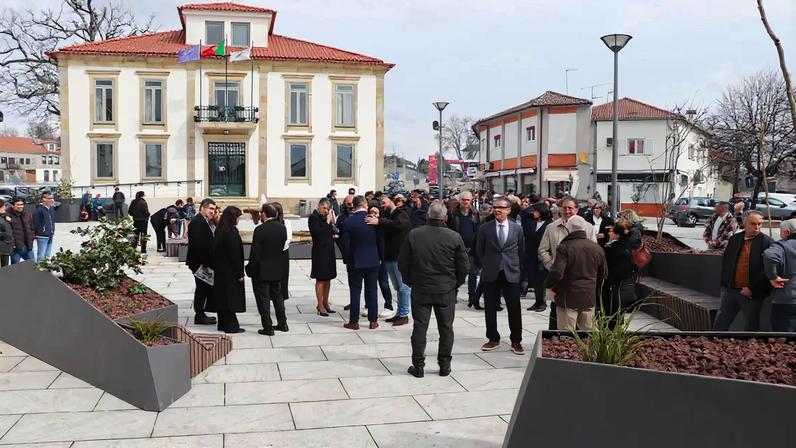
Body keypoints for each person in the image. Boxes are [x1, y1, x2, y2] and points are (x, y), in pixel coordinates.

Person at [399, 201, 469, 378]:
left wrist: (409, 281)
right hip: (445, 289)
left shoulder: (415, 234)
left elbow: (403, 262)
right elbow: (463, 266)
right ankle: (444, 365)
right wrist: (455, 284)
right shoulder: (454, 236)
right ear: (445, 218)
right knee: (446, 328)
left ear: (427, 215)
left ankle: (418, 366)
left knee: (420, 328)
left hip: (421, 288)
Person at [475, 196, 526, 355]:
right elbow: (479, 250)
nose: (497, 210)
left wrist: (516, 266)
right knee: (490, 306)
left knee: (514, 307)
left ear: (508, 210)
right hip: (491, 271)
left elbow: (521, 250)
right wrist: (487, 264)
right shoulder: (485, 228)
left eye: (501, 207)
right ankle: (493, 338)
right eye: (495, 207)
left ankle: (516, 340)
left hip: (511, 271)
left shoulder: (517, 228)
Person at [538, 197, 597, 329]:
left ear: (577, 209)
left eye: (570, 208)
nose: (567, 211)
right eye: (564, 208)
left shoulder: (588, 227)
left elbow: (594, 252)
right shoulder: (552, 227)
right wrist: (551, 265)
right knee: (557, 317)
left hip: (581, 281)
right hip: (558, 279)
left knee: (584, 322)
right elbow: (542, 250)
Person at [713, 210, 773, 331]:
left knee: (751, 326)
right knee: (720, 325)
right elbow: (727, 263)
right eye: (753, 223)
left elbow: (769, 270)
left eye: (760, 224)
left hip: (751, 293)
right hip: (730, 290)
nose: (757, 227)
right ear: (744, 223)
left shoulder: (767, 242)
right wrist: (725, 285)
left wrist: (752, 288)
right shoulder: (735, 239)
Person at [544, 215, 607, 331]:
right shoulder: (597, 248)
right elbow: (603, 274)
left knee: (567, 333)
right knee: (588, 332)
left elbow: (557, 273)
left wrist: (548, 284)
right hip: (589, 296)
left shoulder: (564, 247)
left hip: (567, 296)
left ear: (568, 229)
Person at [367, 194, 412, 325]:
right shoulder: (387, 215)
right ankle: (399, 313)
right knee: (397, 287)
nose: (382, 205)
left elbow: (398, 224)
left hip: (400, 257)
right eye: (381, 203)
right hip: (390, 257)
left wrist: (379, 221)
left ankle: (404, 315)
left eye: (384, 202)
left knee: (403, 287)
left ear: (391, 201)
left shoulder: (402, 212)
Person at [339, 195, 383, 330]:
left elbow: (345, 245)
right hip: (373, 260)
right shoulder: (373, 220)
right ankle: (373, 321)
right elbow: (380, 241)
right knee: (372, 290)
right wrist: (380, 256)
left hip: (355, 261)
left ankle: (354, 321)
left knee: (355, 290)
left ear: (354, 205)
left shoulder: (348, 222)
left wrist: (348, 259)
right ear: (365, 204)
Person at [248, 204, 289, 335]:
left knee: (263, 299)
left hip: (262, 270)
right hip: (277, 268)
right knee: (278, 297)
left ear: (264, 214)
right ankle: (283, 323)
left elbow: (255, 252)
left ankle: (268, 327)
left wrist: (250, 267)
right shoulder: (282, 228)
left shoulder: (260, 229)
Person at [208, 206, 245, 334]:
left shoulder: (221, 230)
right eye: (237, 217)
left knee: (222, 297)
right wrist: (240, 273)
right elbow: (235, 255)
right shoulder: (231, 232)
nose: (238, 220)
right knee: (230, 299)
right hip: (230, 272)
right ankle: (231, 326)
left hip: (221, 270)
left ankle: (222, 323)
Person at [185, 198, 218, 326]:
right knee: (201, 289)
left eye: (214, 209)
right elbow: (199, 245)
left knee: (203, 288)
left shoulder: (205, 221)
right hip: (200, 263)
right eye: (210, 208)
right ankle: (199, 314)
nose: (212, 211)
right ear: (202, 208)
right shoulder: (197, 222)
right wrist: (205, 263)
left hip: (203, 262)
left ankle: (201, 313)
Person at [447, 191, 481, 307]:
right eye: (463, 200)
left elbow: (477, 229)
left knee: (473, 273)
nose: (465, 202)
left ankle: (472, 297)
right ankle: (453, 294)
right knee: (456, 272)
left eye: (467, 200)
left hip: (471, 247)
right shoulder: (452, 213)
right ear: (459, 200)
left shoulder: (475, 213)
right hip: (456, 247)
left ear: (471, 200)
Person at [602, 220, 638, 328]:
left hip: (614, 286)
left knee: (611, 315)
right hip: (626, 284)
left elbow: (608, 268)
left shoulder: (611, 249)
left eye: (611, 231)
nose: (609, 233)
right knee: (619, 315)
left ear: (617, 235)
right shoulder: (629, 245)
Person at [763, 219, 796, 331]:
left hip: (786, 301)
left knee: (783, 338)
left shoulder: (781, 246)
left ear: (787, 232)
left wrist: (773, 277)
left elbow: (769, 255)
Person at [308, 198, 337, 316]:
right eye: (324, 208)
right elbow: (318, 234)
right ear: (319, 206)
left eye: (328, 209)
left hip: (329, 250)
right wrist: (327, 222)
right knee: (320, 278)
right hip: (319, 251)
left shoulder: (326, 218)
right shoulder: (313, 218)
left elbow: (332, 231)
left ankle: (326, 302)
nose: (326, 211)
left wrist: (333, 222)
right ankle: (320, 305)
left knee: (328, 278)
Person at [523, 202, 552, 312]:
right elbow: (525, 212)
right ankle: (537, 301)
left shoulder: (549, 224)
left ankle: (542, 302)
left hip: (543, 255)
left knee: (542, 279)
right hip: (531, 254)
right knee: (534, 279)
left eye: (536, 211)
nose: (533, 213)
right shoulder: (531, 222)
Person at [367, 205, 395, 318]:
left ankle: (389, 305)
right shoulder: (367, 224)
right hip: (369, 258)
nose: (373, 214)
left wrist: (381, 258)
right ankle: (368, 305)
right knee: (368, 284)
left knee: (383, 282)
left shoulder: (383, 225)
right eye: (371, 212)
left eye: (376, 212)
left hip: (381, 258)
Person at [271, 202, 292, 303]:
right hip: (271, 253)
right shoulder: (268, 222)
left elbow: (288, 238)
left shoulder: (286, 222)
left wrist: (279, 248)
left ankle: (281, 297)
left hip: (282, 253)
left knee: (283, 277)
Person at [7, 197, 35, 264]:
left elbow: (31, 227)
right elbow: (7, 230)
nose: (20, 206)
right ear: (12, 205)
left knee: (33, 264)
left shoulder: (26, 213)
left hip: (28, 245)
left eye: (21, 204)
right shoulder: (7, 215)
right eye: (18, 205)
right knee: (15, 266)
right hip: (16, 247)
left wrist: (32, 237)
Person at [33, 192, 56, 261]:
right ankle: (39, 267)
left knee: (47, 255)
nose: (52, 200)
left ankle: (46, 267)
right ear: (44, 199)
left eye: (52, 198)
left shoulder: (51, 209)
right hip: (42, 236)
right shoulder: (39, 210)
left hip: (50, 234)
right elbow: (35, 223)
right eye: (49, 198)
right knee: (41, 255)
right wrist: (38, 233)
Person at [0, 199, 13, 267]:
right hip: (3, 247)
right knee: (4, 267)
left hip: (6, 247)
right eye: (4, 206)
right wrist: (7, 236)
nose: (5, 208)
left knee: (5, 267)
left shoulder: (5, 217)